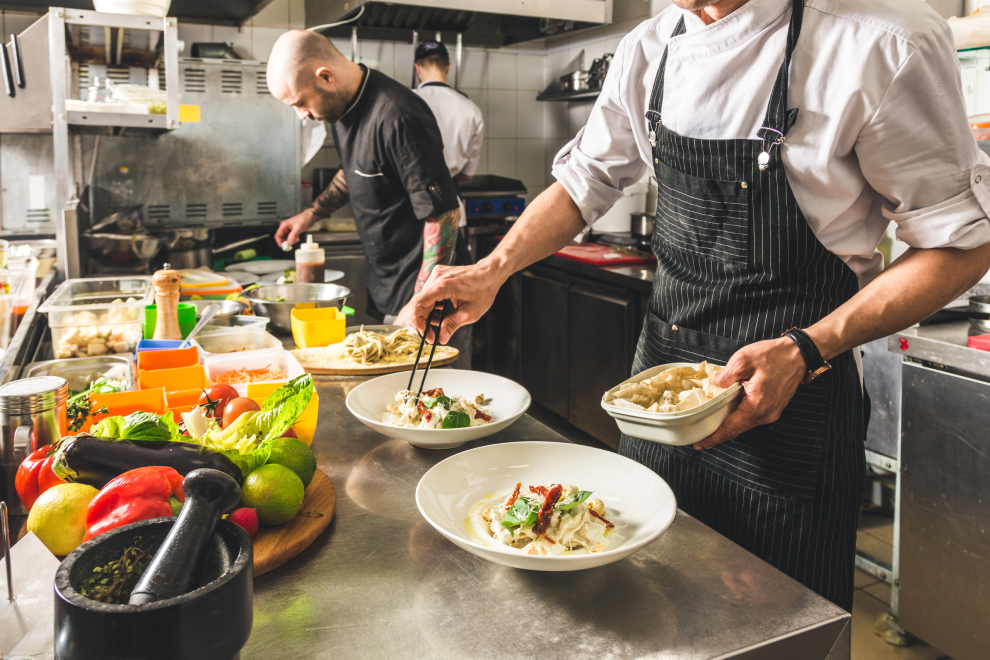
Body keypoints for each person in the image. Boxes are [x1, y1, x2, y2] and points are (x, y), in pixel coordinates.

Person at [409, 0, 990, 611]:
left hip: (793, 404)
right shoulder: (649, 47)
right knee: (638, 605)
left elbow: (962, 245)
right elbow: (585, 182)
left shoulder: (881, 41)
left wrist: (807, 347)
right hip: (656, 402)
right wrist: (492, 269)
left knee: (777, 620)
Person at [268, 30, 460, 326]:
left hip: (423, 298)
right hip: (386, 287)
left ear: (325, 77)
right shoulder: (340, 109)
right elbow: (355, 168)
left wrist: (421, 302)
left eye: (301, 102)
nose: (301, 114)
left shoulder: (399, 116)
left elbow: (444, 216)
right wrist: (311, 214)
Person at [413, 40, 485, 368]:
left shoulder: (407, 102)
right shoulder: (470, 109)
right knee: (452, 311)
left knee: (414, 312)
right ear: (448, 67)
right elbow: (468, 173)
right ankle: (457, 374)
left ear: (418, 68)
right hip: (453, 216)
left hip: (413, 219)